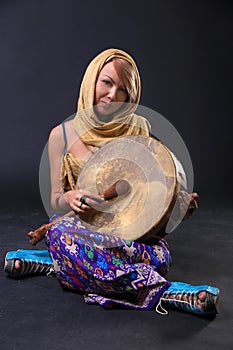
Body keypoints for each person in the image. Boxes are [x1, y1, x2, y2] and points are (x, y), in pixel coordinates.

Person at [4, 48, 219, 317]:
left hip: (129, 237)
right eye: (106, 82)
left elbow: (151, 204)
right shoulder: (61, 135)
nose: (112, 95)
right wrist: (69, 198)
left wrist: (178, 210)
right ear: (91, 79)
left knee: (160, 258)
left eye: (123, 90)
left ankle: (59, 266)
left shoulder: (139, 128)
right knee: (61, 235)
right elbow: (56, 199)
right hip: (83, 231)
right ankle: (169, 293)